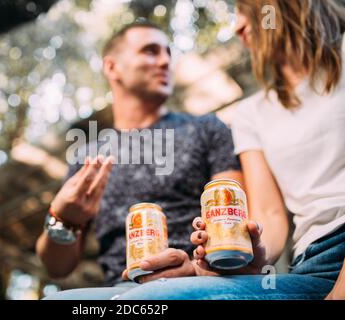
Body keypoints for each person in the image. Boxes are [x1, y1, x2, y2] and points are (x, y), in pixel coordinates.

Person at [116, 0, 345, 300]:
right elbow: (270, 214)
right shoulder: (250, 113)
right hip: (311, 264)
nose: (237, 26)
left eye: (243, 10)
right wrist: (247, 253)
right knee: (146, 301)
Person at [36, 22, 242, 300]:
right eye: (150, 51)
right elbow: (57, 266)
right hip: (120, 292)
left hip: (203, 282)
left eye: (168, 53)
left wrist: (198, 269)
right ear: (112, 68)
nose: (165, 61)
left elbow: (235, 226)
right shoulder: (87, 159)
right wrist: (63, 219)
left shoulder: (207, 129)